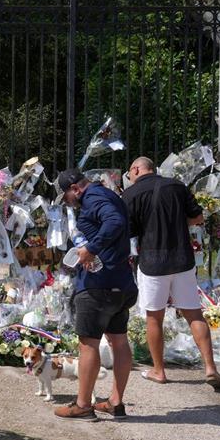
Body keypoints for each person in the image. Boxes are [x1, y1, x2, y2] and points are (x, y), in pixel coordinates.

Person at [122, 156, 220, 390]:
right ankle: (210, 368)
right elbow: (198, 217)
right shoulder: (177, 186)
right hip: (182, 258)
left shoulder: (130, 194)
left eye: (129, 173)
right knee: (194, 314)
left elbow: (128, 230)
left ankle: (159, 371)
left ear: (137, 169)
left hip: (152, 262)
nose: (129, 177)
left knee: (154, 317)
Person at [54, 168, 137, 421]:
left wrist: (91, 248)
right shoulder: (110, 195)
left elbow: (115, 222)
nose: (68, 203)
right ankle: (115, 401)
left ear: (75, 189)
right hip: (121, 281)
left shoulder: (93, 199)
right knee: (119, 341)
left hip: (99, 284)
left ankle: (83, 405)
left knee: (88, 344)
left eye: (67, 197)